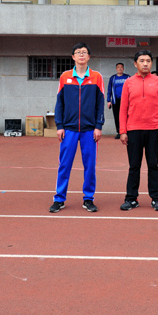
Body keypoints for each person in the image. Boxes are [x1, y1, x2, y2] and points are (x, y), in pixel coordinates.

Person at [50, 42, 105, 213]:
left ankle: (88, 199)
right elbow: (59, 103)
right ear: (73, 56)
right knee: (64, 165)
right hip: (69, 129)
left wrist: (98, 126)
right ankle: (59, 199)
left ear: (89, 57)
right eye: (78, 52)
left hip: (89, 130)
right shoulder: (65, 77)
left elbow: (100, 104)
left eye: (84, 52)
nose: (81, 54)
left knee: (90, 166)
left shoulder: (96, 77)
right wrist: (59, 125)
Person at [119, 50, 158, 211]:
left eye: (148, 61)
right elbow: (123, 108)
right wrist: (123, 130)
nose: (145, 63)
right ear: (135, 64)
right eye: (142, 61)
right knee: (134, 166)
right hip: (133, 130)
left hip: (154, 129)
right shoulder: (128, 82)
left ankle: (156, 199)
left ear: (151, 63)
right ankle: (131, 198)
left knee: (153, 165)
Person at [107, 62, 129, 139]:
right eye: (118, 67)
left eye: (121, 67)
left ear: (123, 68)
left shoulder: (127, 77)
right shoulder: (113, 78)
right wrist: (108, 100)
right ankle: (119, 132)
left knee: (126, 116)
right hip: (115, 100)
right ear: (116, 69)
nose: (120, 68)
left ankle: (126, 131)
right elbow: (109, 90)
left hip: (126, 100)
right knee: (117, 116)